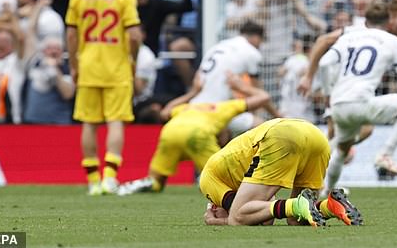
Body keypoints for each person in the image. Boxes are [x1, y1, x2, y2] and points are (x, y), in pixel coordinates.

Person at [301, 3, 397, 193]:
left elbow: (325, 62)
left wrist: (328, 95)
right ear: (387, 23)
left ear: (365, 22)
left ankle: (326, 192)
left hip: (338, 105)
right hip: (361, 102)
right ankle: (386, 153)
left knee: (342, 149)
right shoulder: (391, 39)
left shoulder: (348, 37)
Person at [65, 0, 142, 195]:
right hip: (116, 67)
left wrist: (74, 65)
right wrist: (132, 61)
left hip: (88, 66)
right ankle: (110, 177)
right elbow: (133, 36)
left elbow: (71, 35)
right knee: (116, 122)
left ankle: (93, 181)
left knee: (89, 123)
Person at [118, 72, 273, 195]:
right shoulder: (222, 107)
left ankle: (147, 183)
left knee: (157, 180)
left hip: (170, 133)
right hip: (197, 135)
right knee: (223, 176)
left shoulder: (188, 107)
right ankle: (207, 182)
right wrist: (242, 87)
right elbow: (264, 97)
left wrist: (193, 91)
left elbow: (165, 112)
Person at [200, 118, 362, 227]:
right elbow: (266, 218)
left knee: (237, 218)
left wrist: (215, 221)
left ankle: (299, 204)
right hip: (316, 137)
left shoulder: (207, 180)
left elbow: (238, 215)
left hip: (282, 135)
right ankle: (330, 206)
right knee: (295, 219)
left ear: (214, 207)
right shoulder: (242, 180)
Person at [166, 20, 278, 136]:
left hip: (194, 106)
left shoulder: (217, 46)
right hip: (216, 109)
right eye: (261, 41)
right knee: (263, 128)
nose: (260, 45)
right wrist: (278, 116)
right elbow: (259, 94)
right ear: (256, 37)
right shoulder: (251, 53)